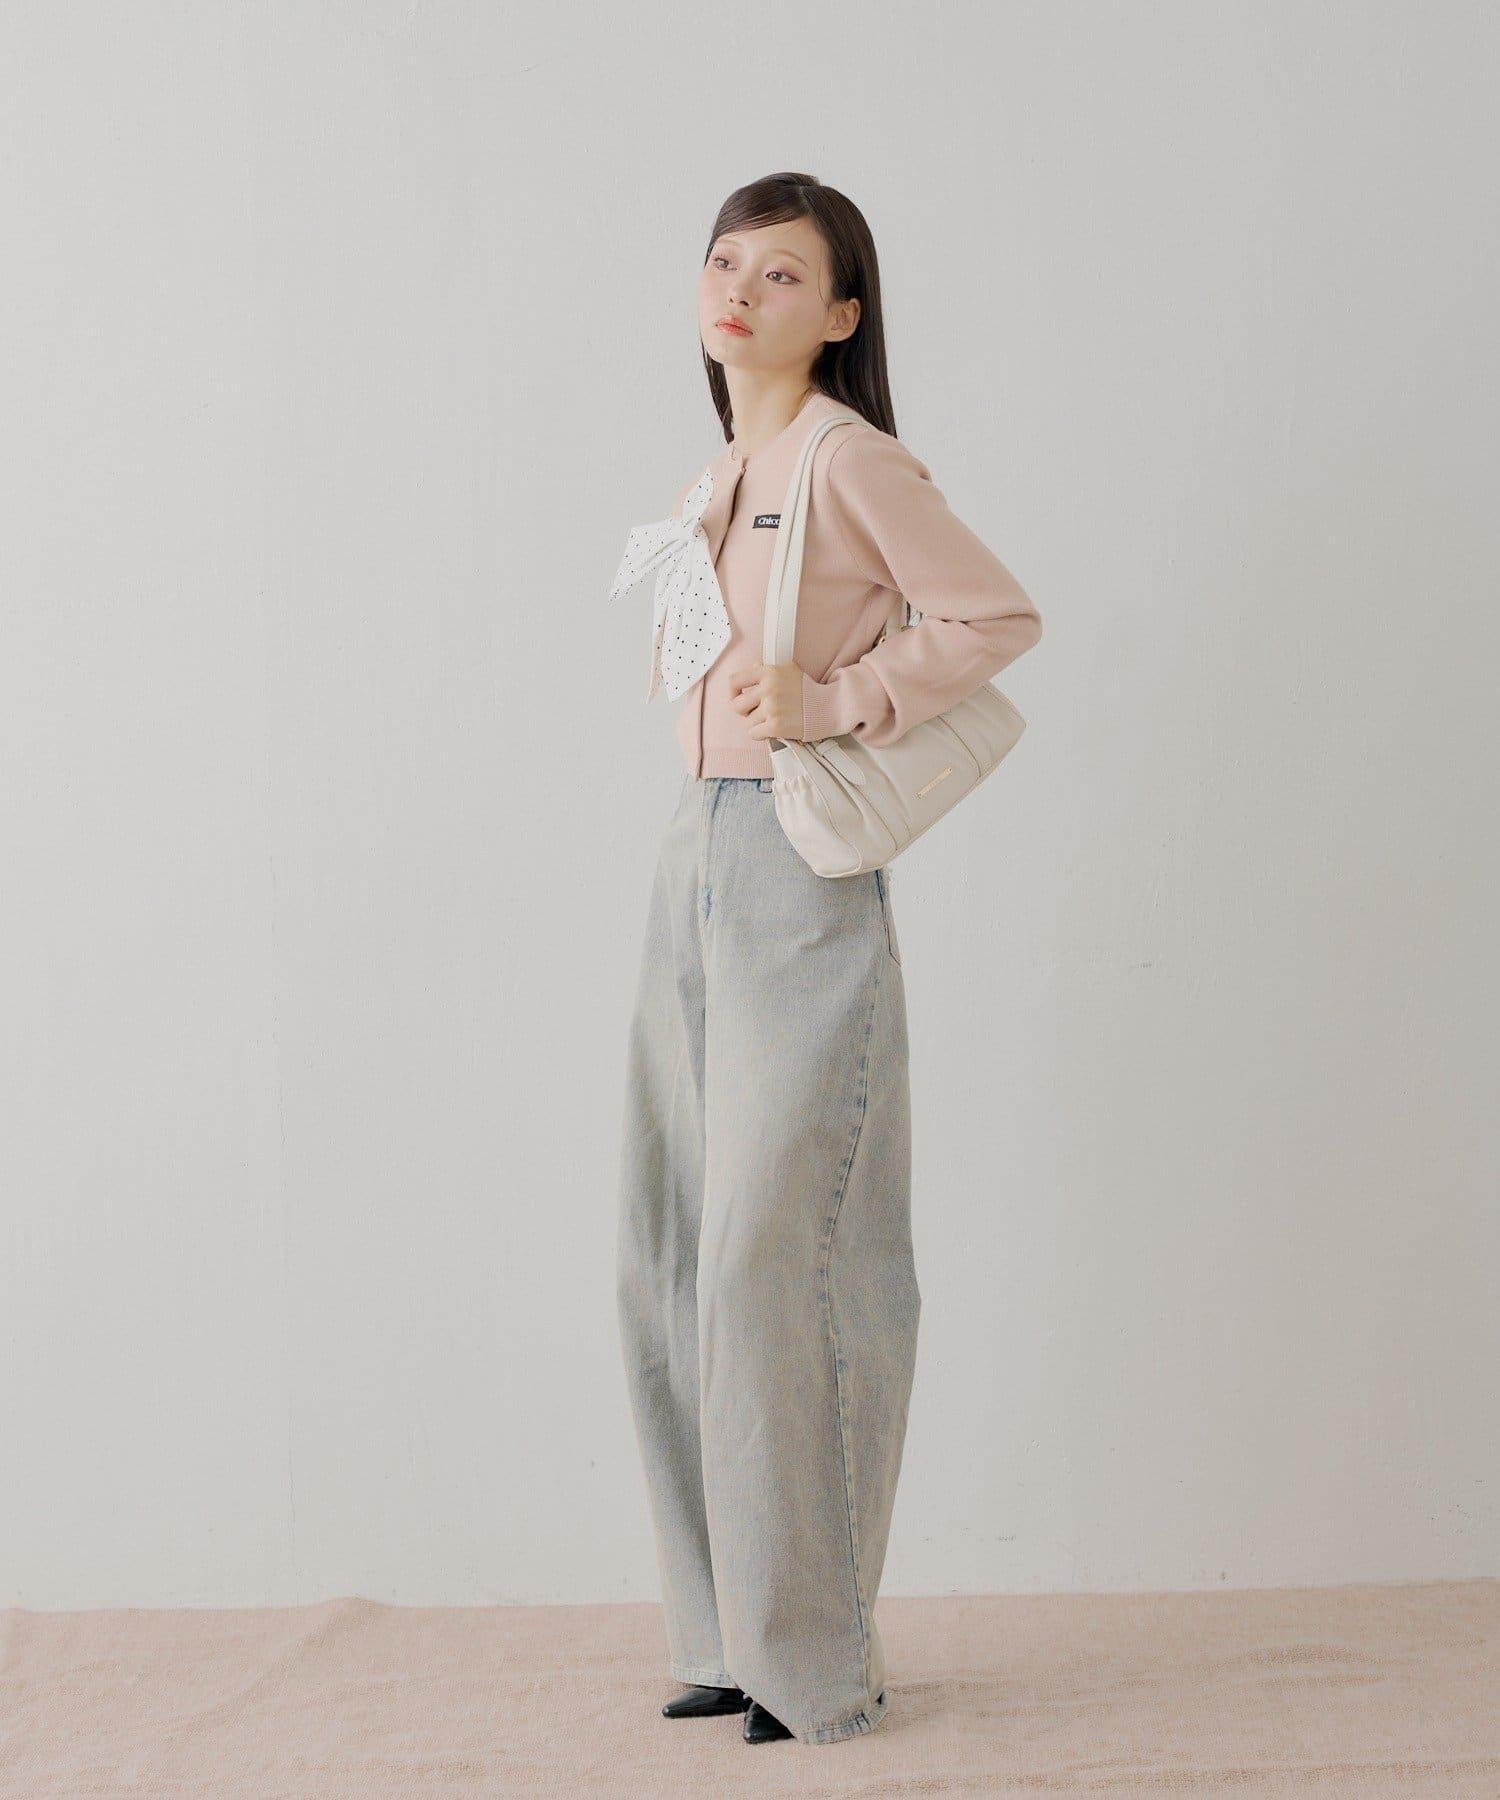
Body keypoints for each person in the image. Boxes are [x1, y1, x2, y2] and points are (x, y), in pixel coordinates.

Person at [611, 171, 1043, 1747]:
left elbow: (992, 617)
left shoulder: (848, 459)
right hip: (696, 853)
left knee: (775, 1257)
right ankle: (728, 1632)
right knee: (669, 1249)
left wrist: (843, 699)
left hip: (796, 865)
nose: (739, 290)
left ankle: (813, 1659)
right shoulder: (719, 475)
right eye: (724, 262)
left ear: (842, 312)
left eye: (782, 273)